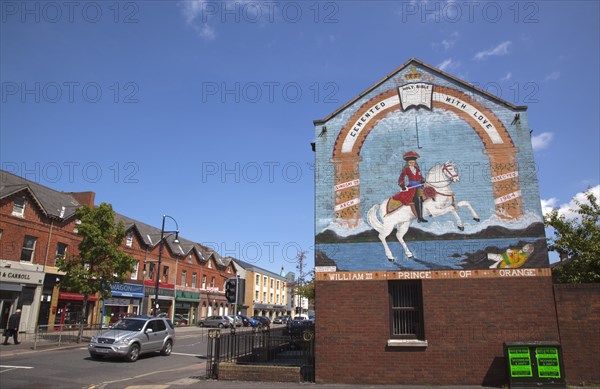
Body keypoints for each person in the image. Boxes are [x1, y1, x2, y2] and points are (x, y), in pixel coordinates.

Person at [398, 151, 428, 222]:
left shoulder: (417, 169)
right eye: (410, 162)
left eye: (413, 162)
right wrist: (402, 186)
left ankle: (424, 215)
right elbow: (401, 178)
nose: (412, 163)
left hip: (419, 186)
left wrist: (422, 180)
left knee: (425, 196)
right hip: (412, 186)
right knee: (418, 199)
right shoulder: (406, 169)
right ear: (407, 163)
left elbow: (420, 177)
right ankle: (419, 217)